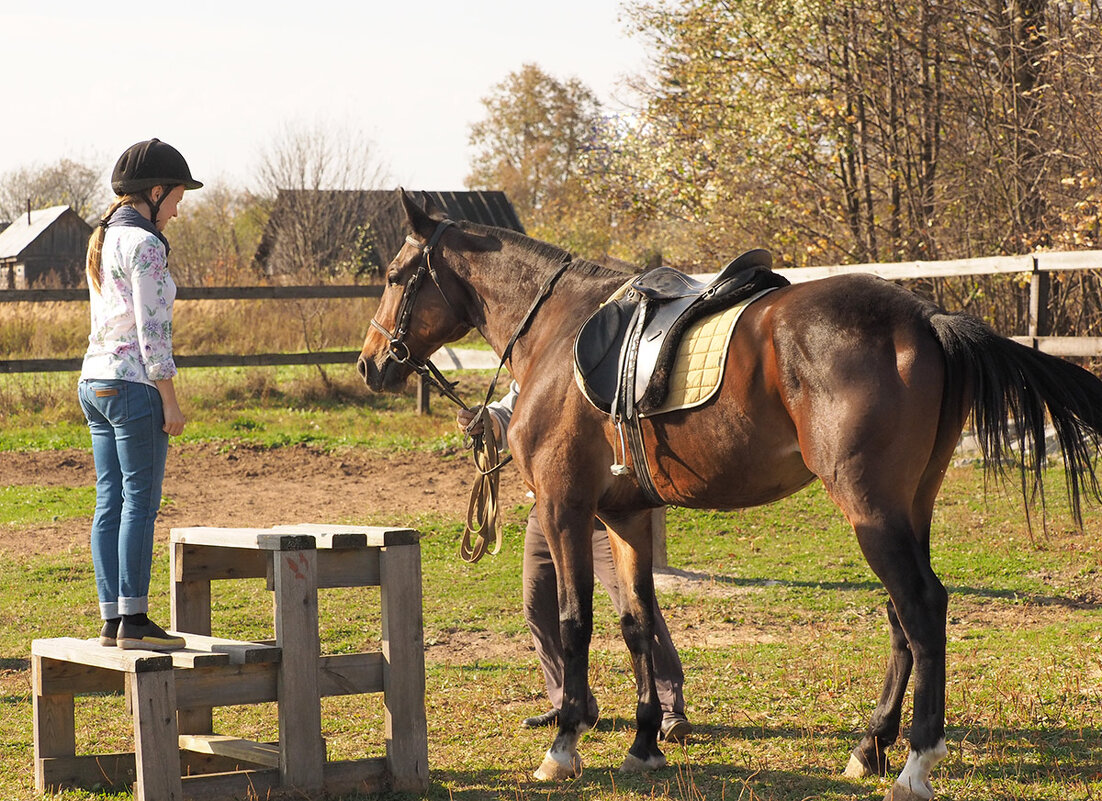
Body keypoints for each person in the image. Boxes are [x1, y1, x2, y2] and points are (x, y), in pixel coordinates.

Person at [457, 382, 693, 742]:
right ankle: (571, 698)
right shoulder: (542, 351)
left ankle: (668, 705)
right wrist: (487, 420)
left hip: (607, 507)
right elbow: (519, 406)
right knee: (538, 604)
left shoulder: (591, 346)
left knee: (632, 601)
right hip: (550, 506)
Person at [78, 138, 202, 651]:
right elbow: (153, 331)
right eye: (176, 197)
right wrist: (169, 399)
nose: (177, 208)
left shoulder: (104, 239)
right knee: (139, 504)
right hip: (134, 385)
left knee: (110, 501)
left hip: (94, 381)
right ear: (154, 191)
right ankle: (135, 620)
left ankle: (113, 620)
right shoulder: (147, 246)